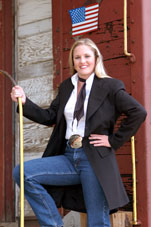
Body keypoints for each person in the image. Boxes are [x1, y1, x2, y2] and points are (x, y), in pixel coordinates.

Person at [11, 38, 147, 227]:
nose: (82, 61)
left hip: (93, 159)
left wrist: (114, 141)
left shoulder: (110, 86)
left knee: (96, 221)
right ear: (72, 62)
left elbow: (138, 112)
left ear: (96, 58)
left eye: (87, 56)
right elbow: (50, 116)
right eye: (77, 57)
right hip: (68, 156)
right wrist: (24, 102)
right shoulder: (67, 86)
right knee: (23, 173)